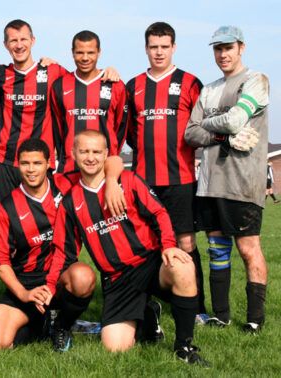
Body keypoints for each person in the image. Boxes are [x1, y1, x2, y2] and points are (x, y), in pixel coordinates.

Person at [46, 130, 210, 366]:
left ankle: (184, 347)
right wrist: (51, 286)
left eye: (96, 152)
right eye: (84, 151)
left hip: (150, 264)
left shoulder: (129, 180)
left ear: (105, 154)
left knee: (183, 266)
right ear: (73, 154)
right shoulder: (71, 201)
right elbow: (64, 249)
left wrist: (169, 246)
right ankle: (147, 314)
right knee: (115, 348)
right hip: (117, 279)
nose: (90, 157)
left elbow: (159, 213)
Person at [0, 20, 121, 223]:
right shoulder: (0, 74)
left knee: (43, 225)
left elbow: (85, 78)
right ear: (5, 45)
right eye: (13, 40)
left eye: (23, 39)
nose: (19, 45)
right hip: (4, 163)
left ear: (33, 41)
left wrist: (108, 71)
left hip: (42, 164)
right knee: (2, 225)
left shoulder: (54, 72)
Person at [184, 25, 269, 333]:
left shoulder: (256, 80)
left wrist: (208, 122)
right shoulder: (208, 89)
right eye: (217, 49)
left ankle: (255, 320)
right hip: (209, 184)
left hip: (243, 182)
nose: (223, 54)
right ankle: (221, 316)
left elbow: (237, 119)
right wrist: (220, 132)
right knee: (217, 249)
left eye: (228, 47)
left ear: (241, 47)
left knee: (248, 248)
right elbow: (190, 133)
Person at [125, 22, 207, 320]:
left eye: (164, 46)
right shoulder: (133, 86)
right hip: (144, 180)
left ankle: (196, 308)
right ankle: (148, 307)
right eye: (153, 47)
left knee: (185, 242)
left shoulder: (189, 82)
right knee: (145, 242)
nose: (158, 52)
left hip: (181, 178)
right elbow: (131, 134)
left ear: (173, 47)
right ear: (146, 48)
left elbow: (200, 129)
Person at [0, 138, 96, 350]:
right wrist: (24, 294)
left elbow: (106, 163)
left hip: (62, 277)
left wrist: (115, 180)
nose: (31, 169)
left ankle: (63, 325)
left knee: (83, 276)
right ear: (18, 165)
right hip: (26, 281)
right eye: (25, 163)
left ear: (48, 164)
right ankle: (41, 323)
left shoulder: (65, 183)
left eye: (37, 163)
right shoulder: (8, 206)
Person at [51, 30, 127, 173]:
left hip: (105, 169)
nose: (85, 58)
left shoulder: (115, 84)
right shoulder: (59, 86)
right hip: (69, 168)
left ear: (98, 52)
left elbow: (121, 127)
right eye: (80, 52)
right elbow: (57, 129)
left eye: (91, 53)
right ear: (72, 52)